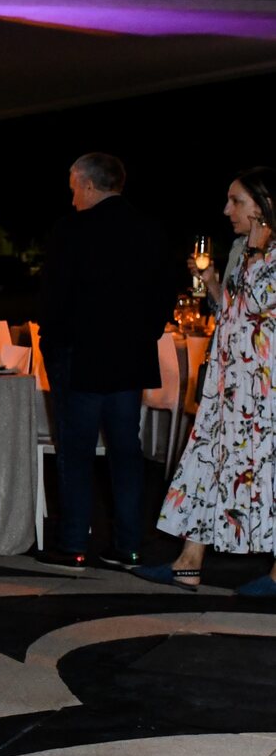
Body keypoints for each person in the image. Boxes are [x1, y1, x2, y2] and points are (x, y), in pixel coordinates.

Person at [136, 168, 276, 596]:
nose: (227, 210)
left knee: (267, 469)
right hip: (228, 381)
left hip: (264, 386)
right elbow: (230, 311)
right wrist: (213, 281)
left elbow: (262, 306)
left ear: (262, 205)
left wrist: (257, 252)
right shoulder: (241, 249)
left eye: (236, 201)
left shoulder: (267, 252)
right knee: (205, 462)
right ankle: (188, 562)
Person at [35, 153, 172, 570]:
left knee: (76, 452)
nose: (73, 197)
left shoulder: (71, 230)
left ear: (89, 185)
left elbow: (54, 296)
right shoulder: (149, 229)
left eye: (74, 188)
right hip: (129, 359)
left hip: (79, 358)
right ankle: (128, 544)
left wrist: (50, 343)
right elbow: (164, 292)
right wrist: (145, 334)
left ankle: (74, 543)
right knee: (126, 451)